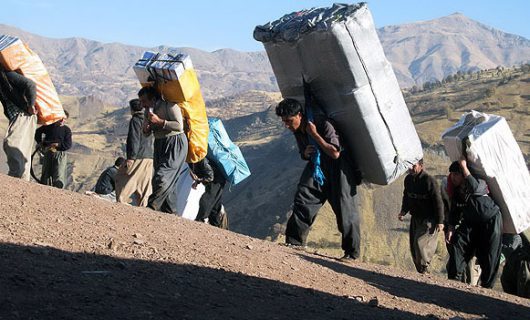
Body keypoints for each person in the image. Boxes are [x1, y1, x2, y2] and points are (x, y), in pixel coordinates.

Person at [276, 98, 361, 261]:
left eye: (289, 121)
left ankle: (351, 253)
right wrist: (305, 153)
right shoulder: (297, 130)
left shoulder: (323, 124)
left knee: (345, 208)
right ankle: (294, 242)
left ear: (299, 115)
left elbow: (335, 152)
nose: (287, 125)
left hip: (339, 168)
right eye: (284, 122)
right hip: (317, 166)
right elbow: (303, 152)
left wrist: (314, 134)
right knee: (303, 199)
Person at [445, 157, 503, 288]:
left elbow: (474, 188)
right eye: (452, 174)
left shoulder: (478, 181)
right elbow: (455, 209)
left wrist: (465, 168)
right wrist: (451, 227)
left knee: (489, 255)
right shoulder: (456, 190)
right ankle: (454, 280)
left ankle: (486, 287)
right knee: (458, 243)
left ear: (463, 174)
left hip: (490, 221)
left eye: (456, 174)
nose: (453, 177)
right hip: (471, 222)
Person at [139, 86, 188, 214]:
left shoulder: (170, 106)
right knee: (168, 182)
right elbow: (146, 133)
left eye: (144, 101)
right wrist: (146, 129)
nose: (142, 105)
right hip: (159, 144)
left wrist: (160, 121)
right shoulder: (148, 111)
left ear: (153, 99)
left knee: (162, 177)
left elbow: (178, 126)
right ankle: (170, 212)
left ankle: (151, 207)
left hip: (175, 143)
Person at [398, 159, 444, 274]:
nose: (411, 168)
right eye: (409, 166)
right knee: (414, 246)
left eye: (413, 165)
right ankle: (421, 271)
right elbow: (407, 196)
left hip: (429, 219)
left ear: (421, 166)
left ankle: (424, 268)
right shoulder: (408, 180)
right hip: (416, 217)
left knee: (420, 244)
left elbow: (438, 202)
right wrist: (404, 210)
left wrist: (440, 221)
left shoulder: (429, 181)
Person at [441, 176, 481, 285]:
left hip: (466, 230)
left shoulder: (467, 194)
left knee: (469, 261)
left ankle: (469, 285)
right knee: (457, 259)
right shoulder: (450, 189)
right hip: (454, 227)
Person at [0, 68, 38, 181]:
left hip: (23, 114)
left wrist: (31, 105)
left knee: (11, 143)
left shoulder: (7, 74)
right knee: (23, 148)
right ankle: (23, 181)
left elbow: (30, 84)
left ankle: (15, 178)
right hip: (18, 116)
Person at [115, 99, 154, 206]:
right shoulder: (149, 119)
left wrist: (131, 157)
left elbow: (134, 139)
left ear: (131, 109)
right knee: (144, 182)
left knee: (123, 177)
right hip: (150, 156)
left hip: (139, 156)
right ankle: (143, 205)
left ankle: (121, 201)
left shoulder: (136, 120)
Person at [34, 110, 72, 188]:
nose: (62, 120)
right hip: (48, 152)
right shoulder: (49, 126)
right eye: (61, 118)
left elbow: (68, 145)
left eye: (64, 119)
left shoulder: (66, 130)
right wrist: (40, 143)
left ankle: (58, 194)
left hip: (60, 154)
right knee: (46, 175)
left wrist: (58, 145)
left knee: (59, 175)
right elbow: (38, 132)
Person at [191, 157, 228, 229]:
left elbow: (210, 176)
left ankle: (200, 220)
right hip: (219, 179)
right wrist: (197, 181)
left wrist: (198, 180)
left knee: (206, 199)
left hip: (216, 180)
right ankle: (216, 225)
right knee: (215, 205)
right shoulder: (196, 157)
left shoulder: (201, 158)